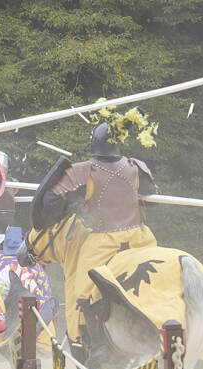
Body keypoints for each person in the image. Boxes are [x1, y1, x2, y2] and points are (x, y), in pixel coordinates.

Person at [27, 118, 160, 355]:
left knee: (82, 294)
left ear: (94, 145)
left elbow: (51, 202)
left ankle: (87, 344)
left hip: (103, 243)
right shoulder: (134, 167)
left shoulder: (86, 171)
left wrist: (68, 206)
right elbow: (152, 195)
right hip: (142, 239)